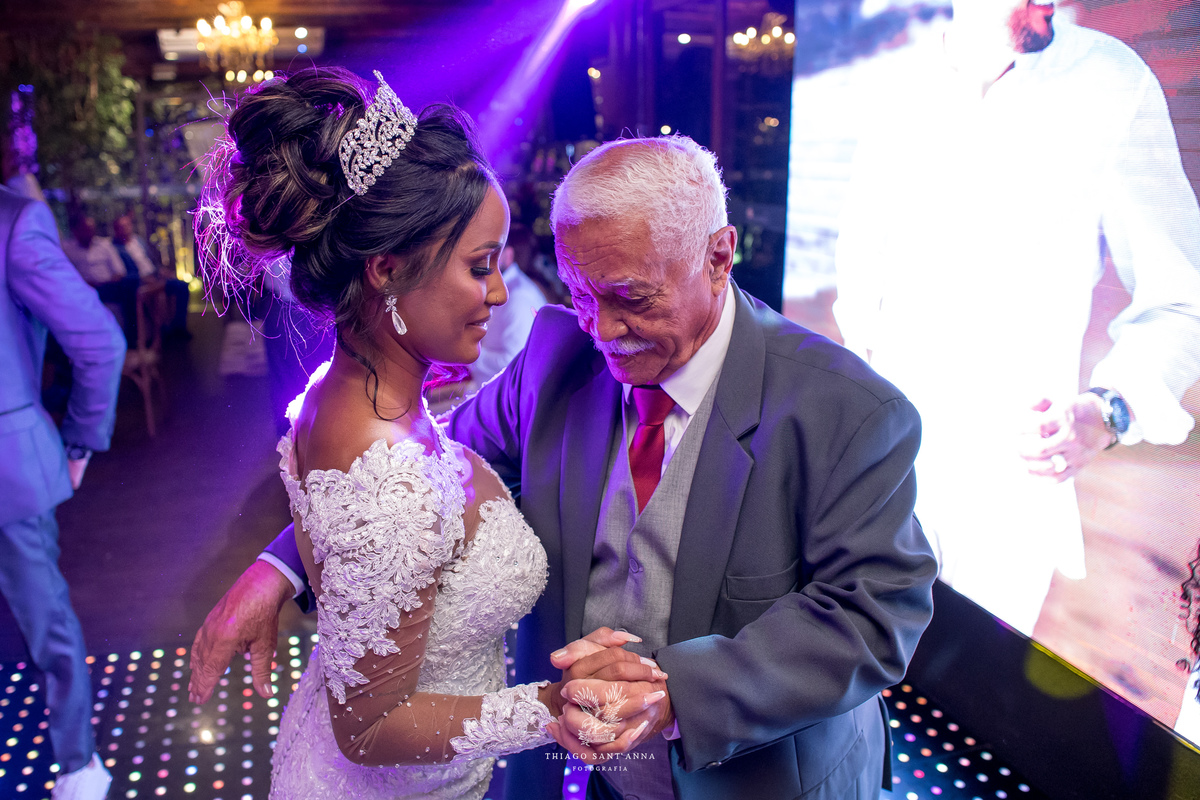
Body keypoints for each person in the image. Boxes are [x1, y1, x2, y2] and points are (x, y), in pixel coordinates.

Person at [192, 127, 938, 798]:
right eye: (580, 293)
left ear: (719, 257)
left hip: (765, 782)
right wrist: (280, 566)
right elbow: (415, 478)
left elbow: (874, 613)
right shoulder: (555, 355)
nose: (603, 330)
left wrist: (676, 694)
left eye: (630, 297)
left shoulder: (850, 411)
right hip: (596, 781)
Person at [193, 67, 657, 800]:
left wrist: (278, 567)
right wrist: (551, 706)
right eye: (479, 267)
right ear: (386, 270)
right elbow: (368, 729)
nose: (499, 292)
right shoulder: (387, 470)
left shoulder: (343, 395)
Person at [834, 0, 1200, 640]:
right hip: (877, 479)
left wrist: (1109, 410)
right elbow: (859, 286)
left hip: (1006, 499)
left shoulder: (1111, 81)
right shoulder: (895, 86)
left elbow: (1183, 298)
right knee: (844, 692)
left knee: (962, 694)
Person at [0, 185, 125, 799]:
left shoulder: (13, 221)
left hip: (7, 469)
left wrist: (78, 441)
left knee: (45, 621)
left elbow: (99, 341)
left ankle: (80, 763)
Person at [466, 224, 547, 387]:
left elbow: (515, 362)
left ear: (509, 255)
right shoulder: (502, 288)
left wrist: (470, 355)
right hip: (487, 389)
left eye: (493, 254)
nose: (484, 262)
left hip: (510, 397)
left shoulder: (519, 296)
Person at [61, 212, 141, 344]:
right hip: (82, 289)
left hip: (107, 286)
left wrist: (108, 281)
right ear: (76, 231)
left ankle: (132, 340)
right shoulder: (67, 249)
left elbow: (119, 271)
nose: (90, 233)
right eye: (86, 229)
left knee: (131, 282)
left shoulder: (104, 245)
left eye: (92, 229)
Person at [111, 213, 191, 338]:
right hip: (140, 281)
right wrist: (143, 278)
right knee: (157, 294)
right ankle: (163, 331)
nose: (126, 228)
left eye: (128, 225)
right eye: (122, 226)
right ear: (116, 229)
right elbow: (122, 271)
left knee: (182, 286)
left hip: (154, 275)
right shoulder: (115, 248)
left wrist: (161, 271)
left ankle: (178, 327)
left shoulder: (138, 240)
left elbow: (151, 259)